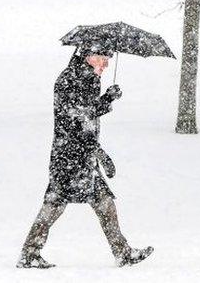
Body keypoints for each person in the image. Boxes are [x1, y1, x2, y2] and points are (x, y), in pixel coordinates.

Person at [17, 46, 153, 268]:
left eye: (108, 59)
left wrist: (107, 99)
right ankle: (29, 254)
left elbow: (87, 113)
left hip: (83, 156)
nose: (106, 63)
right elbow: (76, 119)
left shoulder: (88, 78)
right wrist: (100, 151)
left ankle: (123, 252)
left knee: (104, 203)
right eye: (103, 58)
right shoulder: (68, 79)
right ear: (88, 56)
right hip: (68, 157)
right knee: (54, 204)